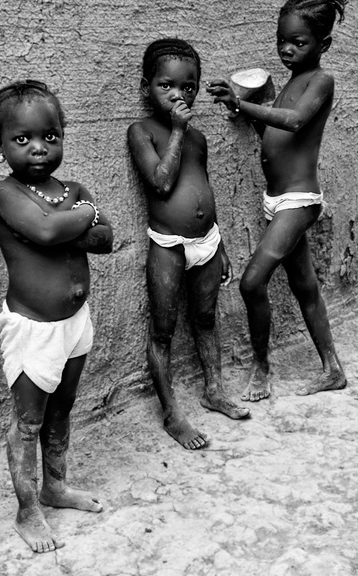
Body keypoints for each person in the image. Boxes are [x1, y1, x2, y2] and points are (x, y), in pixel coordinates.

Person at [205, 0, 349, 402]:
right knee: (304, 285)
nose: (287, 49)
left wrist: (246, 106)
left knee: (252, 283)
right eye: (281, 40)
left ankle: (262, 368)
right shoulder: (288, 84)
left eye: (299, 43)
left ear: (324, 46)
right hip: (275, 201)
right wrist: (241, 110)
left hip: (298, 200)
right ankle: (332, 369)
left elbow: (295, 121)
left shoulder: (321, 81)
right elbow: (272, 133)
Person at [0, 80, 111, 552]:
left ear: (62, 135)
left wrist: (72, 222)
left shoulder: (73, 189)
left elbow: (106, 239)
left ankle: (54, 487)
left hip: (75, 322)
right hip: (34, 328)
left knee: (63, 408)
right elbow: (42, 231)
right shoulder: (4, 192)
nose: (38, 148)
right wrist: (80, 218)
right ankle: (26, 512)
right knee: (29, 421)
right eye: (22, 139)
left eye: (50, 136)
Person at [127, 38, 251, 450]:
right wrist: (177, 131)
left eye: (189, 87)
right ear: (147, 87)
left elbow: (203, 187)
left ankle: (213, 390)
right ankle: (171, 414)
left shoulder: (197, 138)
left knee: (205, 319)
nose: (179, 94)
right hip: (169, 245)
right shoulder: (142, 131)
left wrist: (222, 244)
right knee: (163, 330)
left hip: (208, 242)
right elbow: (161, 183)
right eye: (167, 86)